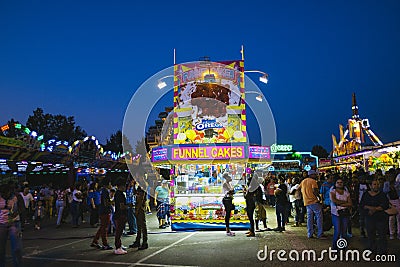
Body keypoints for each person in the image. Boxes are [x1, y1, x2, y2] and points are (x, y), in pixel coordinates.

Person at [360, 179, 390, 254]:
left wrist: (374, 209)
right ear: (370, 186)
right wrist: (371, 209)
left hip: (380, 218)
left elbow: (385, 205)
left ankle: (382, 251)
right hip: (369, 217)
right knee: (370, 234)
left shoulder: (382, 194)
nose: (376, 186)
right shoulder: (366, 194)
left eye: (377, 184)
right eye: (374, 184)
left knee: (382, 235)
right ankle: (372, 248)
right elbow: (362, 205)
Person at [298, 170, 327, 239]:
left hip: (307, 202)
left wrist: (303, 195)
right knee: (319, 217)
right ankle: (320, 234)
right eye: (315, 175)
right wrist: (319, 198)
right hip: (313, 201)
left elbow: (298, 189)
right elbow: (315, 191)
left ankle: (309, 234)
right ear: (312, 175)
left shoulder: (303, 181)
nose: (316, 176)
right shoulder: (313, 181)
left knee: (309, 218)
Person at [0, 183, 22, 267]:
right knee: (1, 249)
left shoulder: (16, 197)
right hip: (1, 224)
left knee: (17, 248)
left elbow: (22, 208)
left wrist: (16, 213)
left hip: (14, 223)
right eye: (3, 193)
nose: (5, 195)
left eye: (7, 193)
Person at [330, 178, 352, 250]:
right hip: (335, 213)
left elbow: (350, 203)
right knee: (337, 230)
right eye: (338, 182)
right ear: (335, 184)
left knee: (344, 231)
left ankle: (343, 247)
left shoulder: (346, 193)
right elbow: (334, 201)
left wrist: (340, 203)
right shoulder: (332, 192)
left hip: (345, 213)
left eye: (341, 182)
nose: (339, 183)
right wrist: (345, 203)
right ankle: (334, 248)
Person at [91, 180, 113, 250]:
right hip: (105, 211)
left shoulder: (101, 191)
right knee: (104, 228)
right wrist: (111, 203)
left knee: (102, 227)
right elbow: (106, 202)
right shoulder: (105, 191)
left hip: (101, 210)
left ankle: (95, 241)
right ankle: (105, 244)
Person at [113, 178, 128, 255]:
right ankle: (118, 247)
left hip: (118, 214)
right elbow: (122, 206)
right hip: (120, 215)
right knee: (119, 231)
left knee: (119, 231)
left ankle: (119, 245)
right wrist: (128, 206)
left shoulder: (117, 193)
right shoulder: (120, 194)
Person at [244, 172, 259, 237]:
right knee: (250, 218)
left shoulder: (251, 188)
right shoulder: (253, 188)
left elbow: (246, 196)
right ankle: (251, 230)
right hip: (251, 203)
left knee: (250, 218)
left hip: (250, 204)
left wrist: (244, 191)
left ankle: (252, 231)